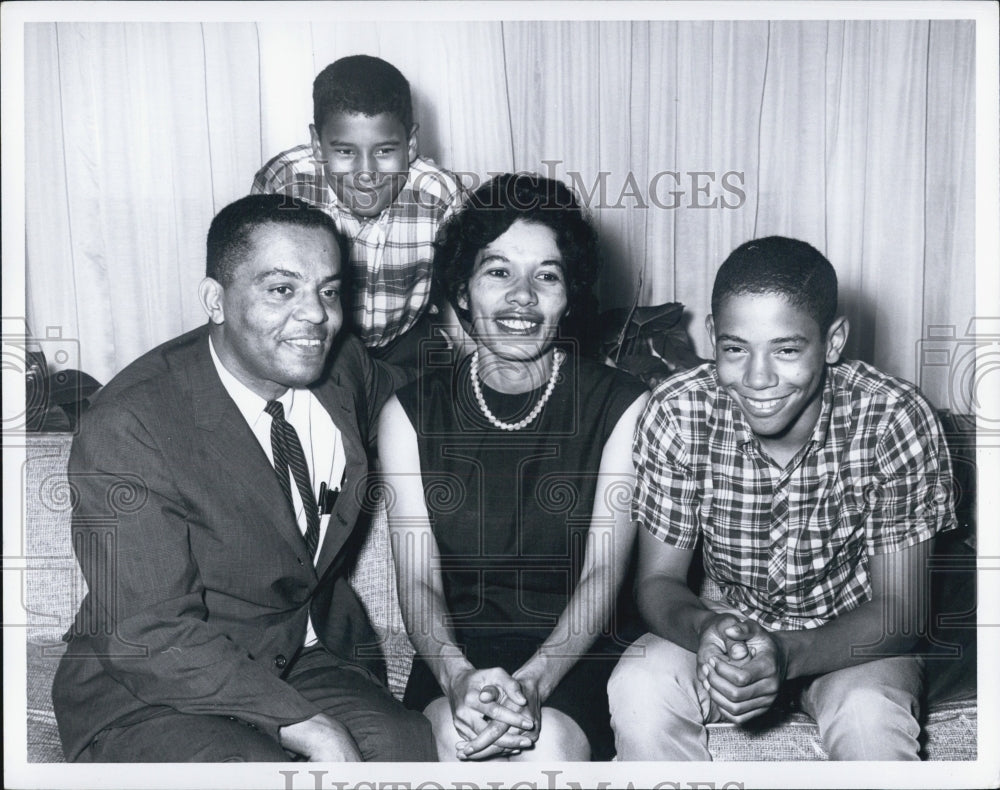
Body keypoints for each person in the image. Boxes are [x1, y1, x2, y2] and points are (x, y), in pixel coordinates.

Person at [51, 194, 436, 762]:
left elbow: (427, 401)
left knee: (406, 751)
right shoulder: (130, 424)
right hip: (154, 685)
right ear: (216, 299)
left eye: (328, 291)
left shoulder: (340, 366)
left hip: (308, 655)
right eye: (282, 289)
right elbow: (147, 631)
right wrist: (306, 725)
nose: (315, 316)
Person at [608, 235, 957, 761]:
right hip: (726, 621)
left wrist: (786, 655)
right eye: (735, 349)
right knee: (638, 688)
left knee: (869, 719)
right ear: (711, 337)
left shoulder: (893, 416)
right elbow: (658, 582)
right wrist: (704, 627)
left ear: (833, 340)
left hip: (851, 637)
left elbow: (900, 613)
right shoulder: (678, 411)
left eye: (787, 350)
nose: (757, 378)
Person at [378, 173, 650, 762]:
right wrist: (454, 678)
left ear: (570, 296)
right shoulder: (408, 414)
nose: (522, 297)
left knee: (548, 746)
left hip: (577, 648)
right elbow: (417, 579)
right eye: (498, 271)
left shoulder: (622, 405)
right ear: (463, 289)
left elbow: (602, 575)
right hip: (458, 648)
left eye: (546, 276)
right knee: (457, 744)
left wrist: (534, 683)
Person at [252, 54, 466, 376]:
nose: (366, 174)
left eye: (384, 151)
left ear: (410, 145)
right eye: (345, 152)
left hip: (404, 341)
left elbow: (466, 288)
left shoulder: (440, 195)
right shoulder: (283, 184)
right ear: (318, 145)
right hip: (320, 343)